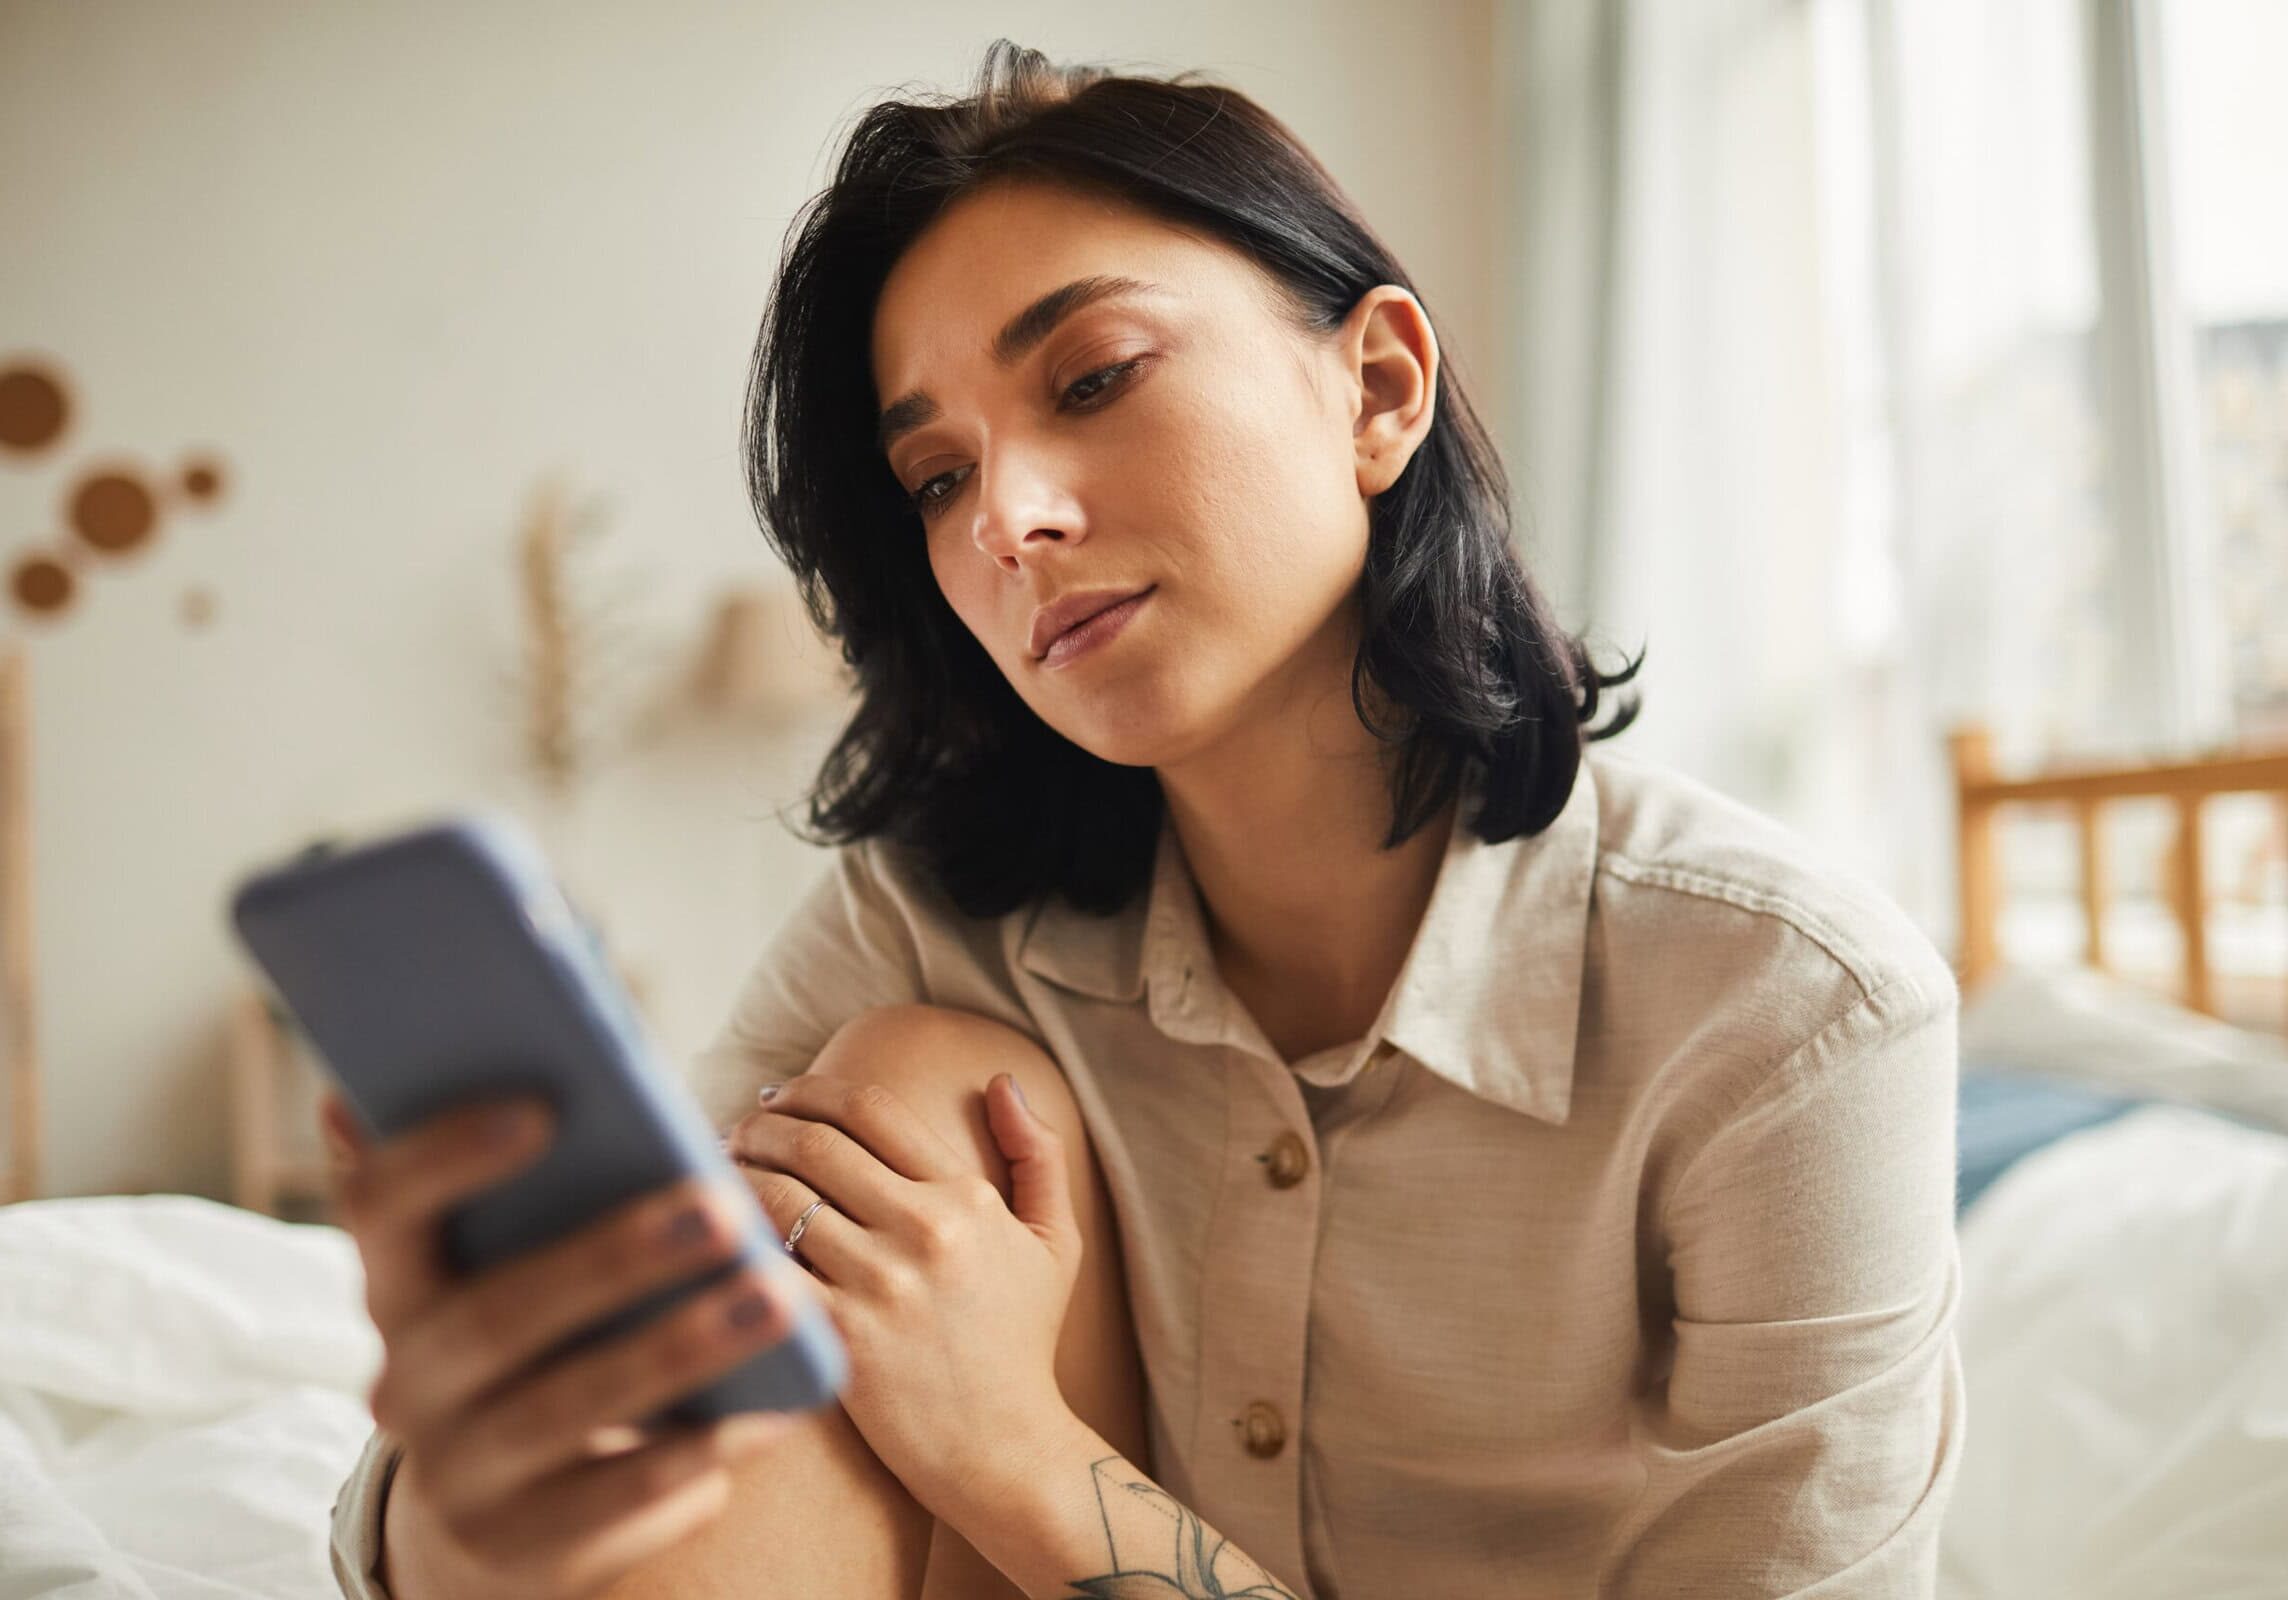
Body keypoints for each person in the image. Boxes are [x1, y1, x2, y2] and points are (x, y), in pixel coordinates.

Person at [321, 38, 1963, 1600]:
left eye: (1095, 378)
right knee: (903, 1100)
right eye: (938, 480)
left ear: (1379, 388)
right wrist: (487, 1450)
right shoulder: (933, 929)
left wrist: (1019, 1454)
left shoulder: (1790, 1017)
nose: (1013, 521)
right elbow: (598, 1480)